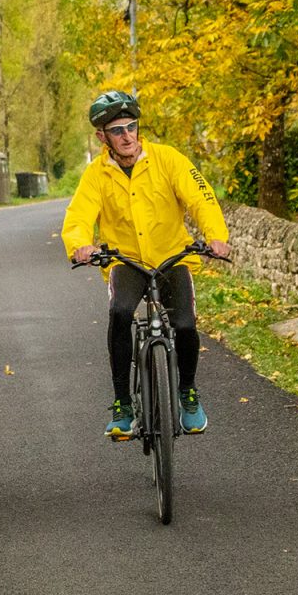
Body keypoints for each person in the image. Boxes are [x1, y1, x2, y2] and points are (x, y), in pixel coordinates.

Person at [61, 91, 232, 439]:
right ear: (102, 137)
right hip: (126, 261)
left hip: (172, 257)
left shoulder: (169, 160)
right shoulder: (96, 174)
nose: (127, 136)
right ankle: (123, 402)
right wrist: (80, 245)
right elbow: (79, 215)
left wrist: (216, 235)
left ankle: (187, 392)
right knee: (121, 313)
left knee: (184, 326)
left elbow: (201, 197)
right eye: (117, 130)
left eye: (131, 127)